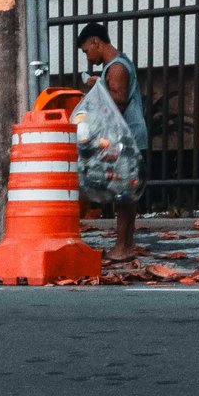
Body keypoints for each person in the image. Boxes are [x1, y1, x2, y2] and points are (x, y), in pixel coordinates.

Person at [75, 22, 146, 263]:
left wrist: (98, 88)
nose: (88, 56)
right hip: (129, 137)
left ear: (96, 41)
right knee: (127, 194)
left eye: (86, 51)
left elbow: (119, 100)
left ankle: (122, 248)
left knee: (124, 195)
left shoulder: (116, 68)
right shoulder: (115, 65)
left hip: (127, 137)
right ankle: (127, 243)